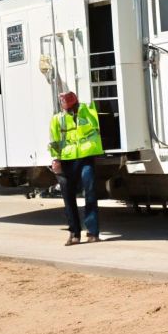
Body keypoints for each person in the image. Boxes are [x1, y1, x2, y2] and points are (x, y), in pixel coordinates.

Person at [49, 90, 105, 244]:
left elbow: (93, 114)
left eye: (70, 104)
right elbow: (53, 141)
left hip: (86, 157)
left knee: (90, 192)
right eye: (65, 105)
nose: (68, 109)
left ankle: (93, 233)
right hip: (66, 160)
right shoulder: (57, 119)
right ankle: (74, 234)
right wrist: (55, 160)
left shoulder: (86, 111)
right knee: (68, 197)